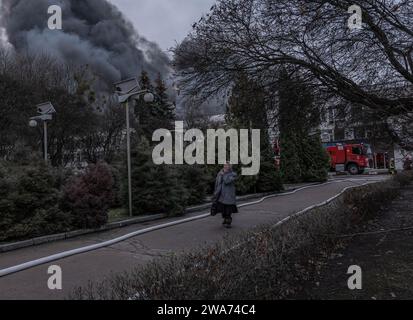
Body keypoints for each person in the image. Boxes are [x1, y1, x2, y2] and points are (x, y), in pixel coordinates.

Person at [212, 163, 238, 228]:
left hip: (229, 195)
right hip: (222, 195)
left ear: (230, 167)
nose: (225, 167)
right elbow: (217, 183)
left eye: (227, 166)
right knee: (222, 209)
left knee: (228, 210)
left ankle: (228, 221)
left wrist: (224, 174)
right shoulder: (220, 173)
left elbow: (227, 181)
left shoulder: (233, 174)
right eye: (224, 166)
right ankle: (225, 220)